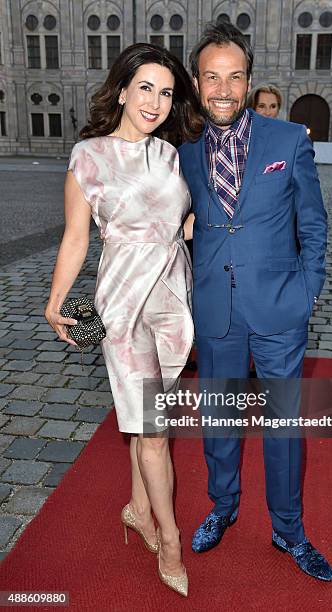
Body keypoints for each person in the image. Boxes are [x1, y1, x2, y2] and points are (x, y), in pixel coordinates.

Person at [178, 22, 332, 582]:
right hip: (217, 309)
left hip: (279, 309)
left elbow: (314, 226)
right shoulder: (184, 152)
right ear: (198, 84)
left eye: (234, 77)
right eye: (212, 77)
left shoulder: (288, 140)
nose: (223, 89)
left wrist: (307, 292)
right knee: (219, 419)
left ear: (249, 81)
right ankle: (222, 507)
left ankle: (288, 529)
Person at [45, 43, 202, 598]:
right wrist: (55, 298)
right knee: (155, 431)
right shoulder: (89, 156)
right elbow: (75, 237)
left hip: (173, 297)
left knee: (142, 417)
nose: (156, 102)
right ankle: (171, 539)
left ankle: (137, 507)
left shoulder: (176, 154)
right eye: (145, 88)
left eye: (166, 91)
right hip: (124, 300)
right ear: (122, 88)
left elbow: (185, 218)